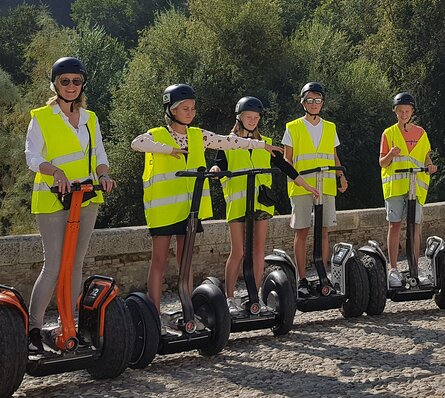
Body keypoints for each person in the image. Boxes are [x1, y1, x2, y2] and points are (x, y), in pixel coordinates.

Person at [131, 84, 283, 317]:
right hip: (163, 211)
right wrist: (167, 149)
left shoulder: (198, 135)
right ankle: (154, 315)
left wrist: (261, 145)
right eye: (185, 108)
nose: (190, 112)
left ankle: (187, 312)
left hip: (189, 209)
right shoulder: (157, 134)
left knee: (186, 262)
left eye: (192, 108)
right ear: (171, 110)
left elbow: (230, 142)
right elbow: (137, 143)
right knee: (159, 261)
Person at [24, 57, 117, 352]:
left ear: (83, 84)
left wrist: (104, 175)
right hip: (52, 197)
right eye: (65, 81)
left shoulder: (90, 118)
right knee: (53, 264)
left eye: (77, 81)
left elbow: (99, 153)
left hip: (86, 196)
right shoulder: (42, 117)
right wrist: (56, 172)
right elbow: (32, 157)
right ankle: (34, 329)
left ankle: (69, 325)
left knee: (76, 263)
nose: (71, 86)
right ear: (55, 84)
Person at [210, 96, 318, 314]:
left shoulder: (266, 143)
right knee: (238, 251)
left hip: (261, 204)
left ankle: (255, 296)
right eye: (249, 117)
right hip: (238, 204)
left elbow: (286, 167)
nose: (252, 120)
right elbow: (218, 164)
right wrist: (215, 171)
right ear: (239, 118)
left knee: (259, 250)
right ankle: (229, 298)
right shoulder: (228, 143)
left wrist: (307, 186)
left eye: (256, 117)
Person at [282, 82, 348, 297]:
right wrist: (297, 179)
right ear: (303, 102)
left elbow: (334, 155)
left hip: (326, 184)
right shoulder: (292, 127)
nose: (313, 104)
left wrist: (341, 175)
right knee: (302, 231)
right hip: (301, 186)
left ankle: (323, 274)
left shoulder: (330, 127)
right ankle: (301, 278)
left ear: (322, 103)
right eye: (309, 100)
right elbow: (287, 159)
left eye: (317, 100)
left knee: (324, 231)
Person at [379, 92, 437, 287]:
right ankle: (393, 268)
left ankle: (415, 266)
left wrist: (431, 165)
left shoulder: (421, 133)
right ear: (395, 112)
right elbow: (382, 162)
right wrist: (390, 154)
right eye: (400, 111)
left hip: (416, 188)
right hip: (395, 187)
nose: (404, 114)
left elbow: (426, 157)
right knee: (395, 225)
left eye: (407, 111)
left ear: (412, 112)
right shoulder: (388, 133)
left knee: (415, 226)